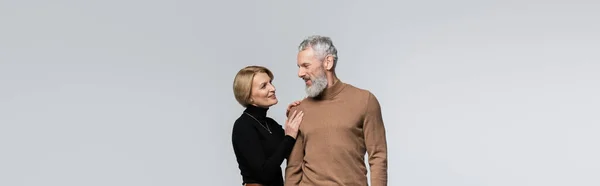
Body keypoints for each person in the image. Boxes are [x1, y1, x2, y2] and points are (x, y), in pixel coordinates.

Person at [284, 35, 388, 186]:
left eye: (306, 66)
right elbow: (293, 166)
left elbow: (378, 156)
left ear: (328, 62)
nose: (300, 73)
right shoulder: (299, 110)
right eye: (299, 67)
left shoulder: (365, 101)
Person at [231, 66, 305, 186]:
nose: (273, 88)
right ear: (249, 96)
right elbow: (264, 174)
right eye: (263, 86)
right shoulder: (243, 126)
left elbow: (292, 150)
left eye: (270, 82)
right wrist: (289, 137)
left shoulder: (270, 124)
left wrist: (292, 114)